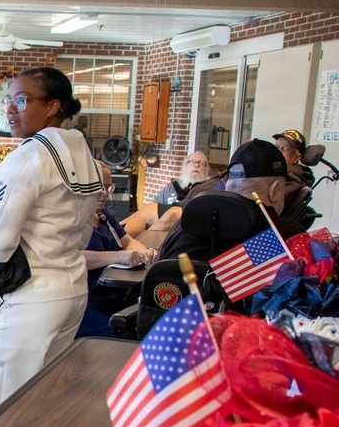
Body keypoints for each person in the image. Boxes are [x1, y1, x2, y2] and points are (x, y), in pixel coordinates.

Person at [0, 67, 102, 414]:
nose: (10, 110)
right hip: (70, 289)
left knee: (6, 414)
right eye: (9, 101)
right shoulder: (81, 152)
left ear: (53, 106)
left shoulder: (27, 157)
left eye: (22, 100)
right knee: (43, 406)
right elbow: (85, 228)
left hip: (26, 300)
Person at [157, 139, 295, 263]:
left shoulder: (190, 218)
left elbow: (159, 264)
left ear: (228, 183)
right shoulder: (283, 234)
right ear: (274, 191)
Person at [77, 163, 157, 338]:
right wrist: (118, 256)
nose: (105, 193)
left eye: (109, 187)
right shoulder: (73, 219)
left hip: (115, 297)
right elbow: (73, 257)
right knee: (125, 336)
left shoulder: (106, 216)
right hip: (86, 302)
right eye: (100, 187)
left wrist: (145, 253)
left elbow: (127, 241)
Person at [120, 151, 210, 238]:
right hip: (160, 231)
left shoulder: (208, 190)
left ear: (207, 170)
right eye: (192, 162)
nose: (197, 165)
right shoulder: (172, 187)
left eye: (202, 163)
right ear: (185, 166)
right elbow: (154, 206)